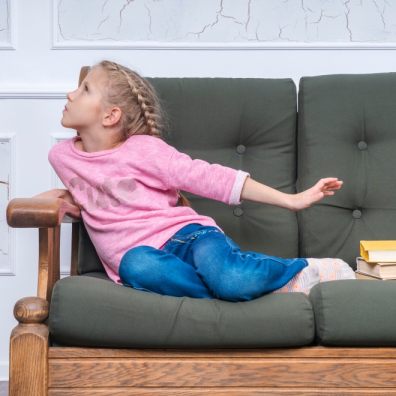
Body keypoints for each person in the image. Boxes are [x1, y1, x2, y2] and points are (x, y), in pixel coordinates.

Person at [48, 59, 355, 303]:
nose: (70, 94)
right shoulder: (62, 157)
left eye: (85, 90)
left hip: (190, 236)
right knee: (136, 265)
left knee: (230, 279)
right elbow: (86, 194)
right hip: (140, 256)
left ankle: (302, 270)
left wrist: (292, 199)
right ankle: (247, 292)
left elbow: (211, 178)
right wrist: (59, 202)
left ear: (110, 116)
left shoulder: (144, 150)